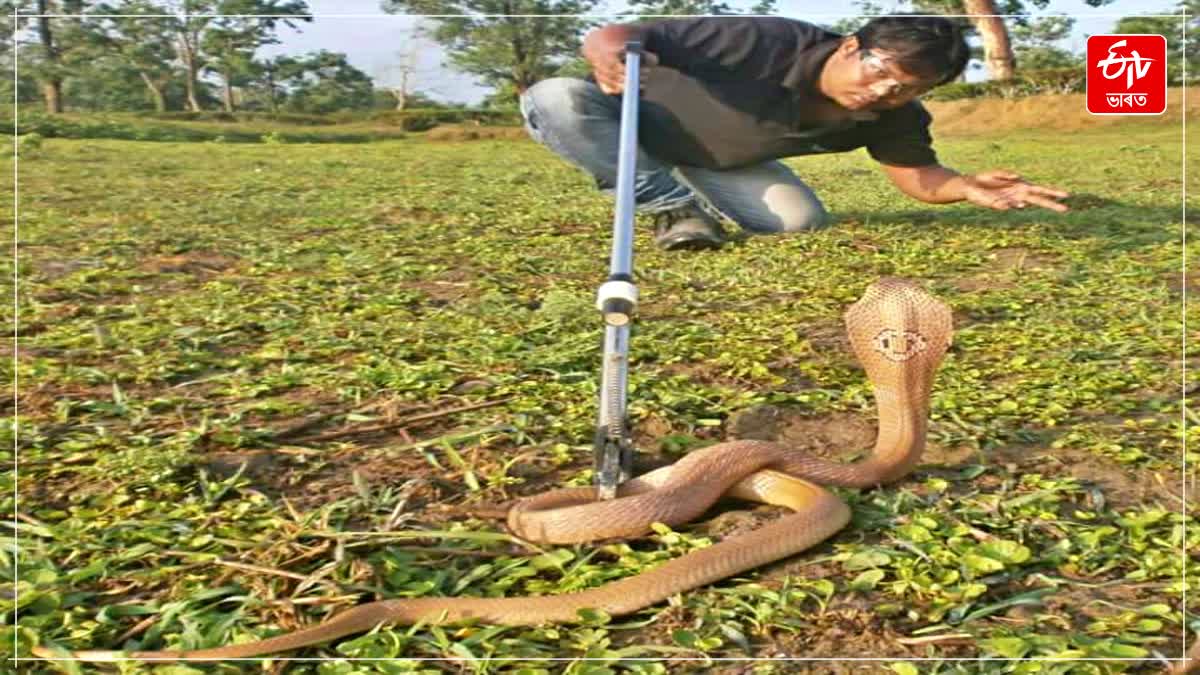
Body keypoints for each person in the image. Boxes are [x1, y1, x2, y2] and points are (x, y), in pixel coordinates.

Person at [519, 14, 1071, 251]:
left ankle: (686, 185)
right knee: (555, 97)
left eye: (908, 88)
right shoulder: (766, 40)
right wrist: (610, 54)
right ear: (851, 46)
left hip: (715, 158)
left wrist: (966, 186)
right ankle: (672, 207)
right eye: (879, 71)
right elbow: (622, 33)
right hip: (624, 121)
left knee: (799, 223)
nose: (884, 92)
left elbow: (917, 175)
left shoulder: (895, 113)